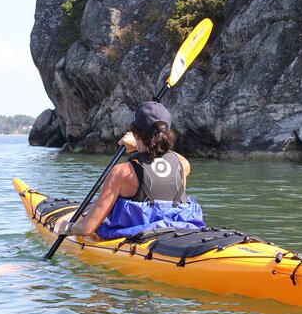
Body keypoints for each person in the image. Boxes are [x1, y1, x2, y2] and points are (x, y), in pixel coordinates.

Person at [55, 101, 205, 239]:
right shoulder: (182, 165)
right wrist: (140, 145)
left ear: (136, 133)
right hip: (181, 233)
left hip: (139, 239)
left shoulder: (121, 172)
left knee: (86, 219)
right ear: (167, 133)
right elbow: (170, 155)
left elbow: (88, 228)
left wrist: (67, 228)